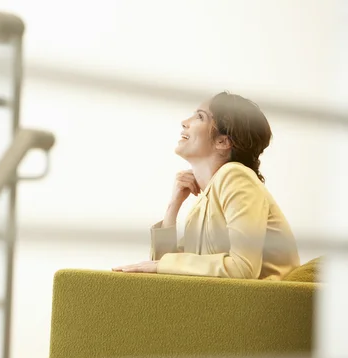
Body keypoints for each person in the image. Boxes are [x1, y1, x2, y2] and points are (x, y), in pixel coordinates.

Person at [113, 92, 299, 279]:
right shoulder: (205, 202)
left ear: (223, 141)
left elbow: (243, 269)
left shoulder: (235, 176)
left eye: (200, 116)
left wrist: (164, 265)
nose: (185, 122)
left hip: (265, 304)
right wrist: (173, 206)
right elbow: (165, 276)